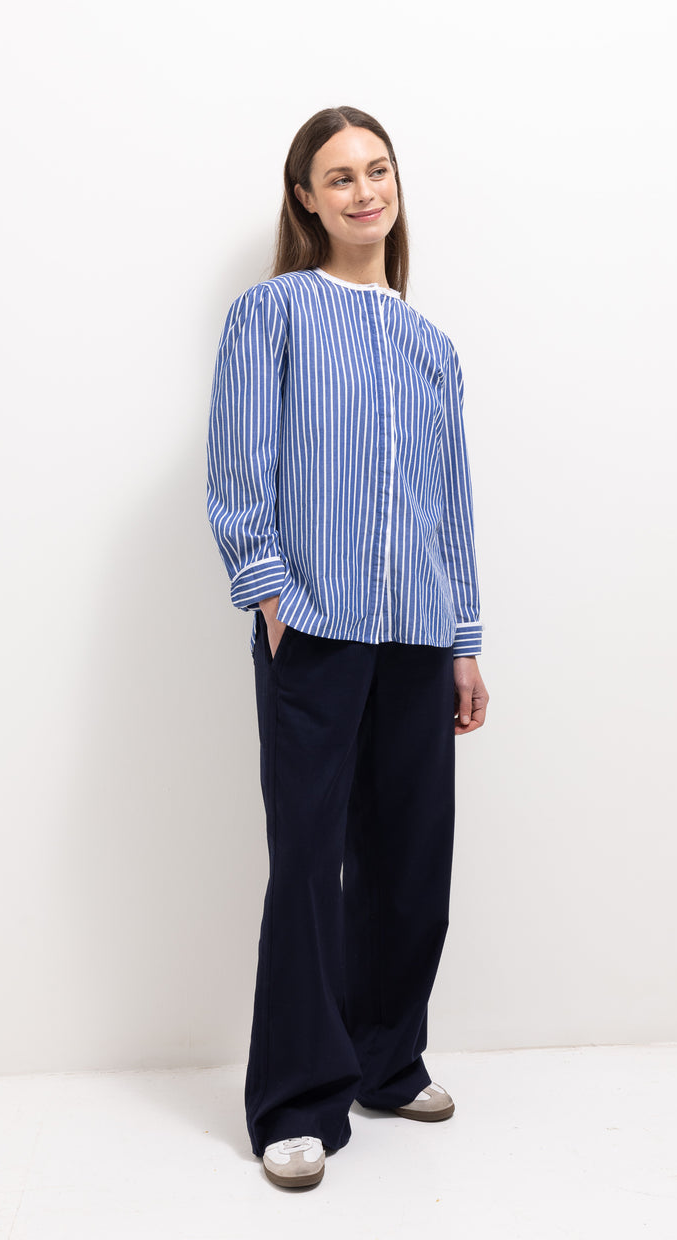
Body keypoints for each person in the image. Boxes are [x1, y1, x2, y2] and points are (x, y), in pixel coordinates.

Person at [206, 105, 488, 1189]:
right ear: (306, 200)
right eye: (340, 176)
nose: (365, 190)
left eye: (378, 170)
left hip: (417, 633)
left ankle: (385, 1061)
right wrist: (271, 596)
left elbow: (448, 505)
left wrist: (463, 639)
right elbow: (239, 463)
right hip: (313, 630)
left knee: (412, 867)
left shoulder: (431, 346)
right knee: (308, 869)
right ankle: (296, 1098)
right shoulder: (270, 314)